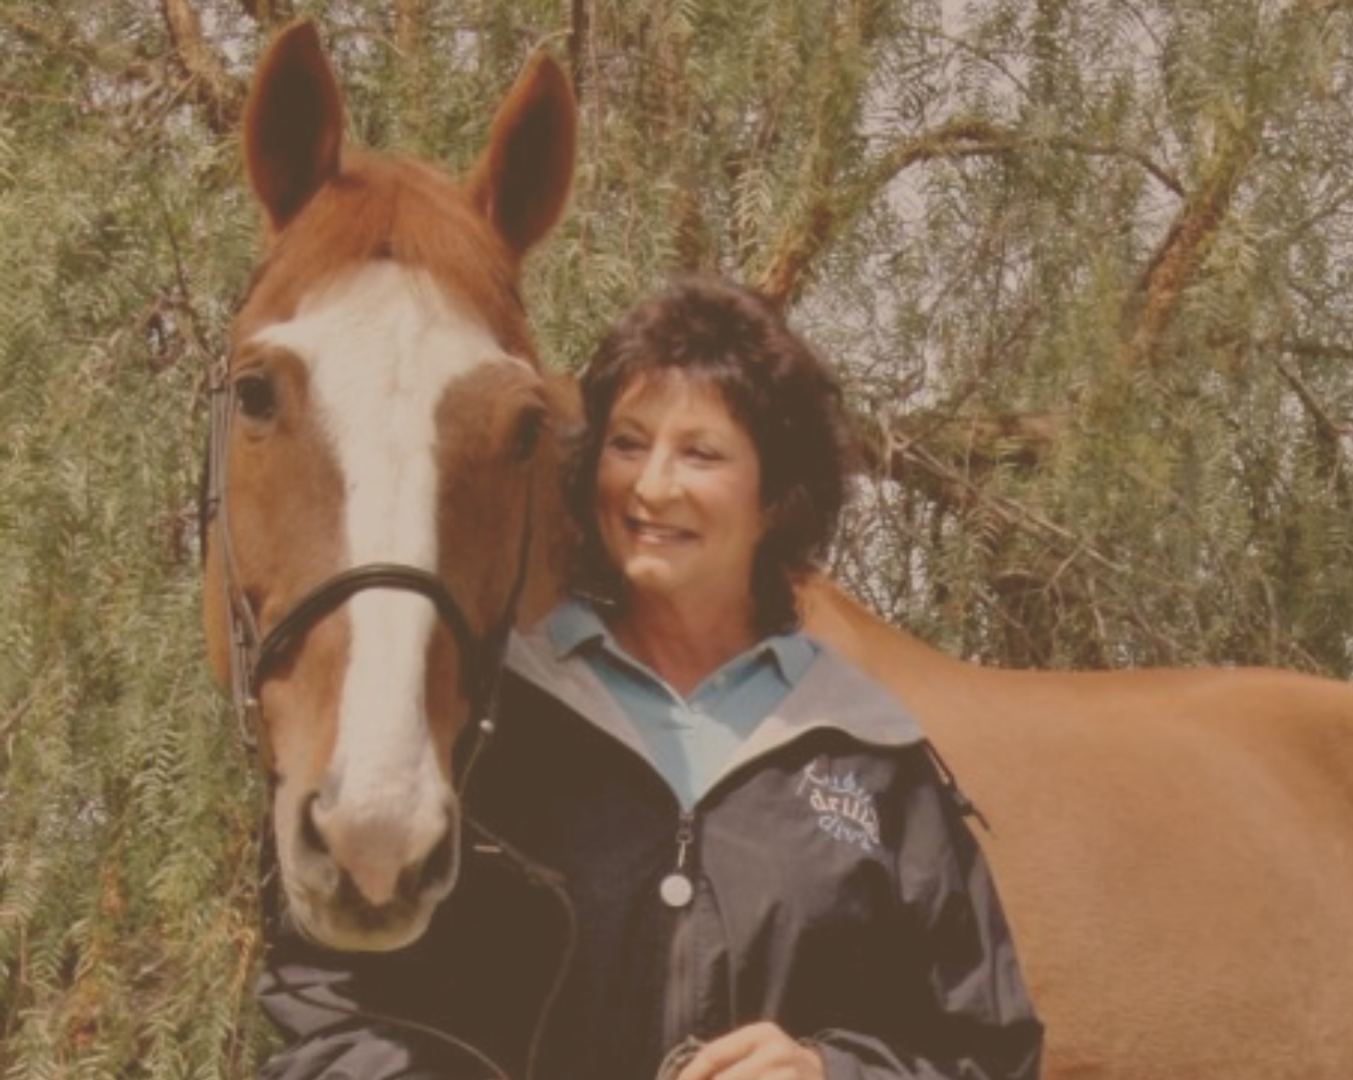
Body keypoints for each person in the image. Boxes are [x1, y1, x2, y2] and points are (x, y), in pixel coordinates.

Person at [255, 276, 1045, 1080]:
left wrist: (829, 1073)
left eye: (699, 453)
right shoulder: (489, 727)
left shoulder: (871, 756)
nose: (650, 486)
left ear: (776, 495)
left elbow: (988, 1053)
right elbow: (326, 1009)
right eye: (627, 443)